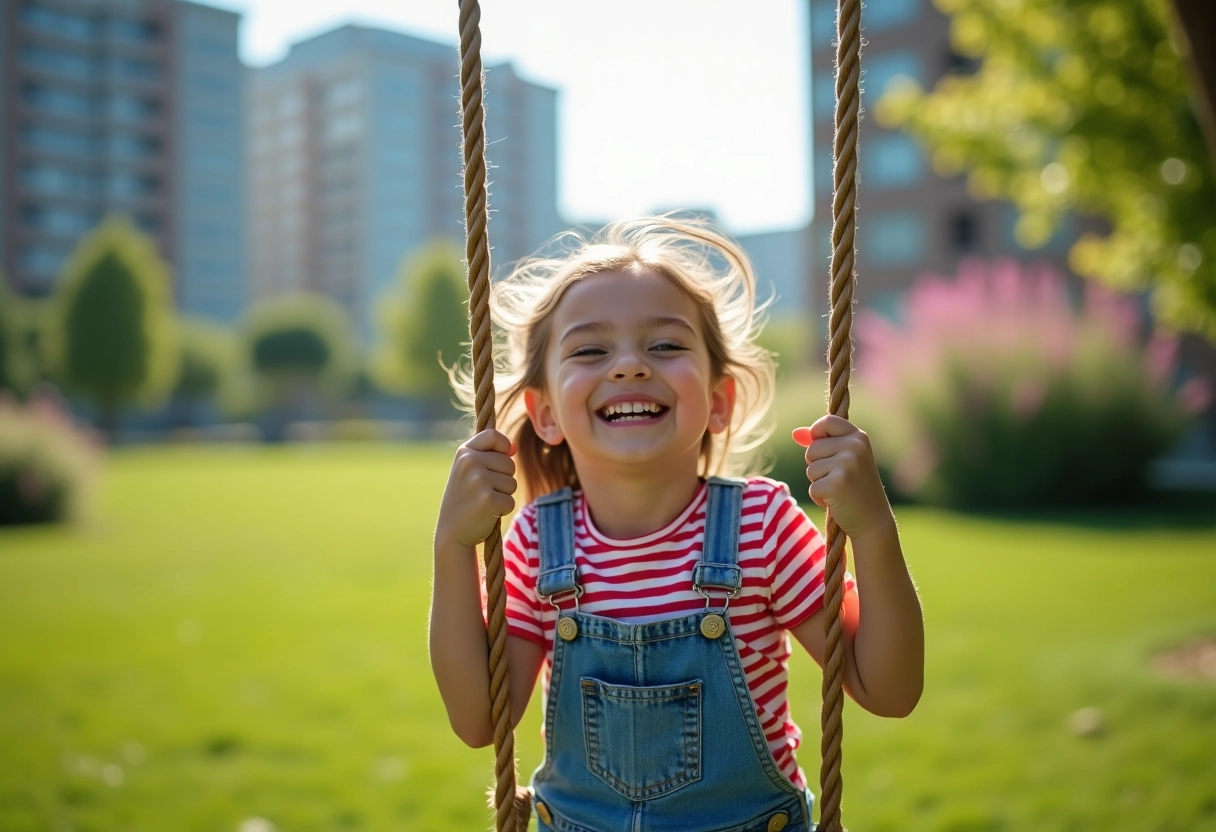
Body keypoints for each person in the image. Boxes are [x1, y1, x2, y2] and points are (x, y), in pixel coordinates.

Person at [430, 217, 924, 832]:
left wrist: (873, 531)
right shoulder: (535, 542)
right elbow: (480, 721)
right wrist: (452, 547)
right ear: (546, 412)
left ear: (718, 401)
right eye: (590, 350)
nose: (631, 366)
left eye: (665, 345)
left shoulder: (759, 526)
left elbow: (890, 690)